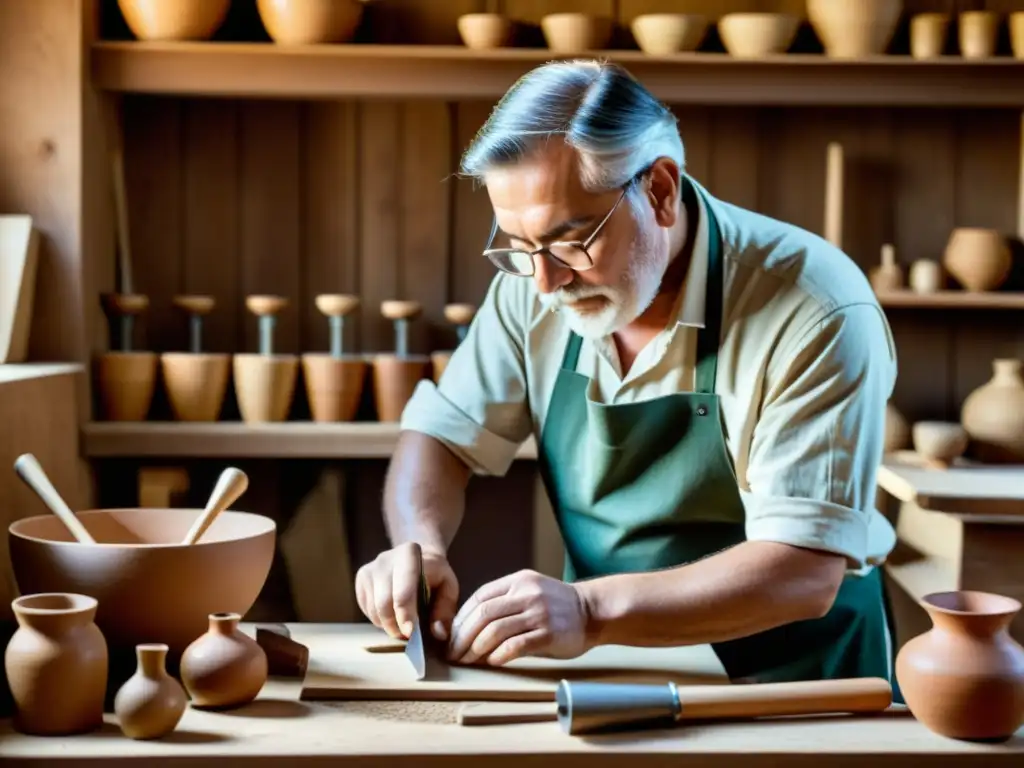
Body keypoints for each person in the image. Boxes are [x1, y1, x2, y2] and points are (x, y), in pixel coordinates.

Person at [354, 59, 900, 692]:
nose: (546, 282)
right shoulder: (535, 283)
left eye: (573, 241)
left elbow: (803, 571)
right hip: (623, 665)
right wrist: (419, 549)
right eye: (519, 247)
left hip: (795, 679)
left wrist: (587, 610)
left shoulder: (815, 307)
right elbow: (443, 438)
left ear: (661, 191)